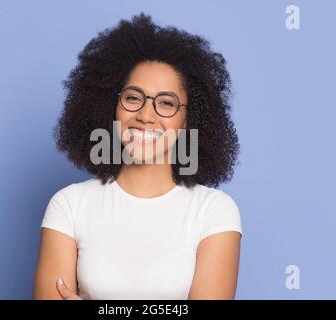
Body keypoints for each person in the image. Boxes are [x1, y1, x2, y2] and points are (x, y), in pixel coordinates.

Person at [33, 12, 242, 300]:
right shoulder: (69, 206)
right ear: (111, 105)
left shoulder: (214, 212)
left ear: (189, 120)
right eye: (133, 98)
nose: (145, 115)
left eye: (166, 103)